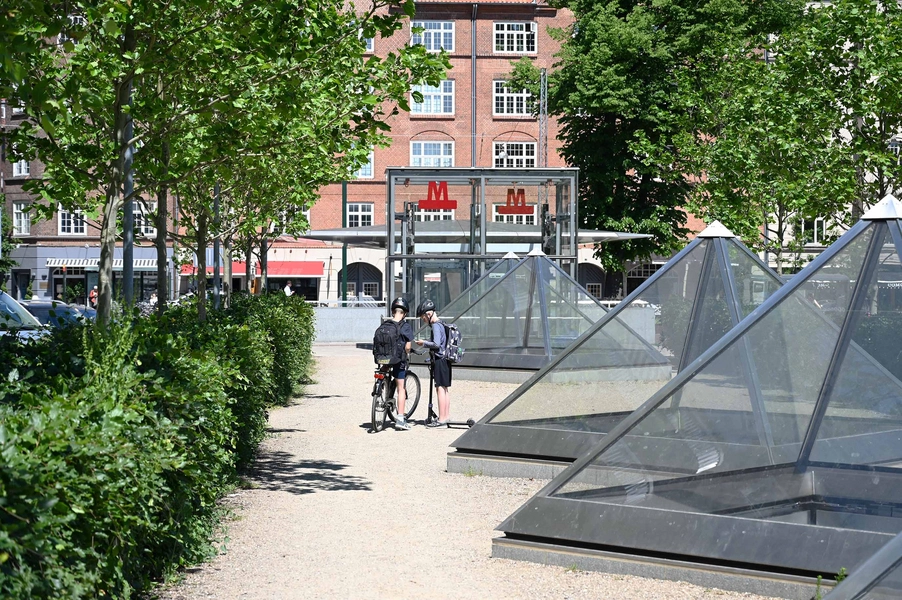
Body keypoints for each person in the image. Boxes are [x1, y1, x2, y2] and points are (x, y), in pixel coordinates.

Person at [416, 299, 451, 428]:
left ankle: (441, 419)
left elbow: (436, 344)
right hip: (446, 359)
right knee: (445, 388)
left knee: (440, 388)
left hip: (439, 359)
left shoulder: (436, 325)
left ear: (429, 314)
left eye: (423, 318)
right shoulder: (441, 324)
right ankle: (446, 417)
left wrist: (423, 343)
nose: (424, 320)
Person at [388, 297, 415, 431]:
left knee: (385, 375)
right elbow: (408, 347)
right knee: (401, 389)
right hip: (398, 360)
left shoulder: (386, 325)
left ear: (393, 312)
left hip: (384, 359)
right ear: (404, 313)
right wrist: (407, 353)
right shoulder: (406, 327)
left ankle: (382, 392)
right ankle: (400, 419)